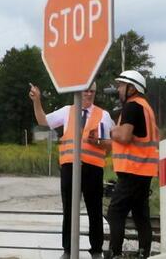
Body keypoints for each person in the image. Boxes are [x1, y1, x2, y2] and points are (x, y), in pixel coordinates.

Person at [29, 81, 113, 259]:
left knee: (94, 210)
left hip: (93, 168)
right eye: (85, 91)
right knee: (69, 210)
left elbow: (109, 145)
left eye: (92, 91)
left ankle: (96, 250)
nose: (88, 94)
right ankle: (67, 250)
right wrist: (37, 101)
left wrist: (97, 141)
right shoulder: (67, 111)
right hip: (69, 167)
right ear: (78, 92)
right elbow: (43, 120)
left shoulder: (103, 115)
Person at [107, 70, 159, 259]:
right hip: (145, 171)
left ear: (131, 88)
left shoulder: (132, 107)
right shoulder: (146, 107)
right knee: (140, 215)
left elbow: (125, 136)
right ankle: (143, 253)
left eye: (121, 85)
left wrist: (112, 131)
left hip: (132, 171)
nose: (118, 89)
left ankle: (115, 254)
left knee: (115, 213)